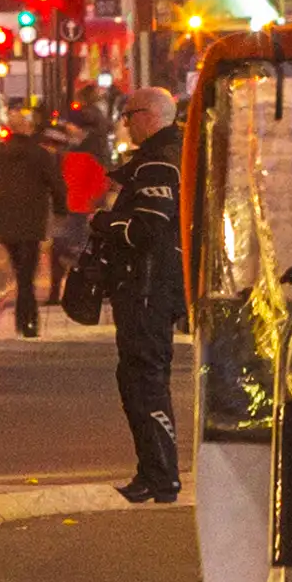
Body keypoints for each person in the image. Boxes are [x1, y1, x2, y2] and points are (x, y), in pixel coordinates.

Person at [98, 81, 187, 504]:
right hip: (150, 286)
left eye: (128, 115)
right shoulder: (169, 157)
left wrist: (106, 224)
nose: (125, 124)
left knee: (145, 379)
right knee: (135, 377)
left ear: (148, 118)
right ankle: (152, 472)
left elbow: (148, 229)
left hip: (148, 287)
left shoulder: (156, 164)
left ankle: (162, 476)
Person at [0, 109, 64, 335]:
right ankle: (29, 319)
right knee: (27, 272)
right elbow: (56, 185)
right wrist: (61, 207)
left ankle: (24, 318)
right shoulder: (41, 155)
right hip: (33, 220)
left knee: (20, 269)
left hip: (5, 221)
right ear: (28, 129)